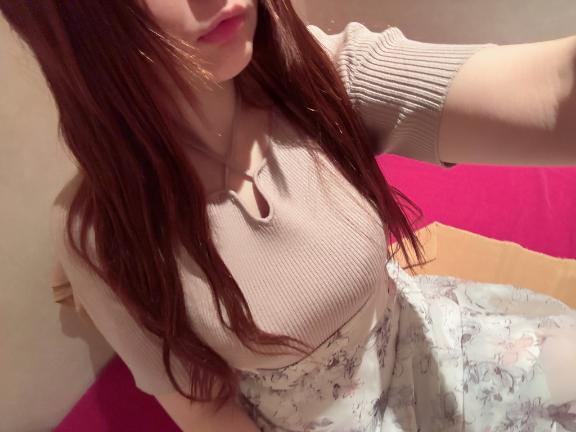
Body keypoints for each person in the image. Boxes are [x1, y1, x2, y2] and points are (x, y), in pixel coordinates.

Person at [3, 0, 575, 430]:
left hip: (431, 339)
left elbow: (552, 91)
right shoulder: (102, 232)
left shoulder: (319, 77)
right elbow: (201, 410)